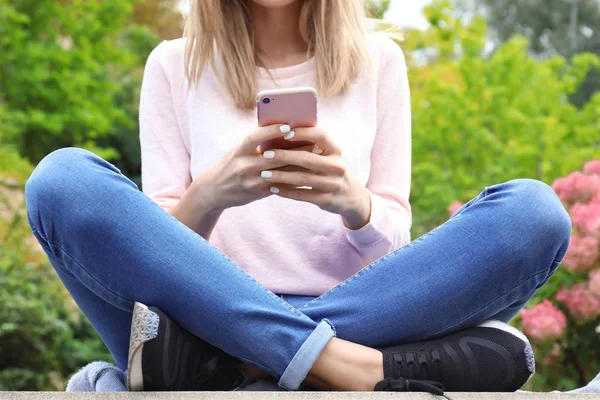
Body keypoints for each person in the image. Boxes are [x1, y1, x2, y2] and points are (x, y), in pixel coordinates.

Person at [25, 0, 573, 397]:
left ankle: (242, 366)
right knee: (62, 180)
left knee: (533, 214)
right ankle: (342, 366)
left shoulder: (378, 60)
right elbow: (152, 255)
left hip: (352, 312)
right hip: (195, 319)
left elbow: (396, 249)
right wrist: (211, 195)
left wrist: (354, 204)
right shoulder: (174, 63)